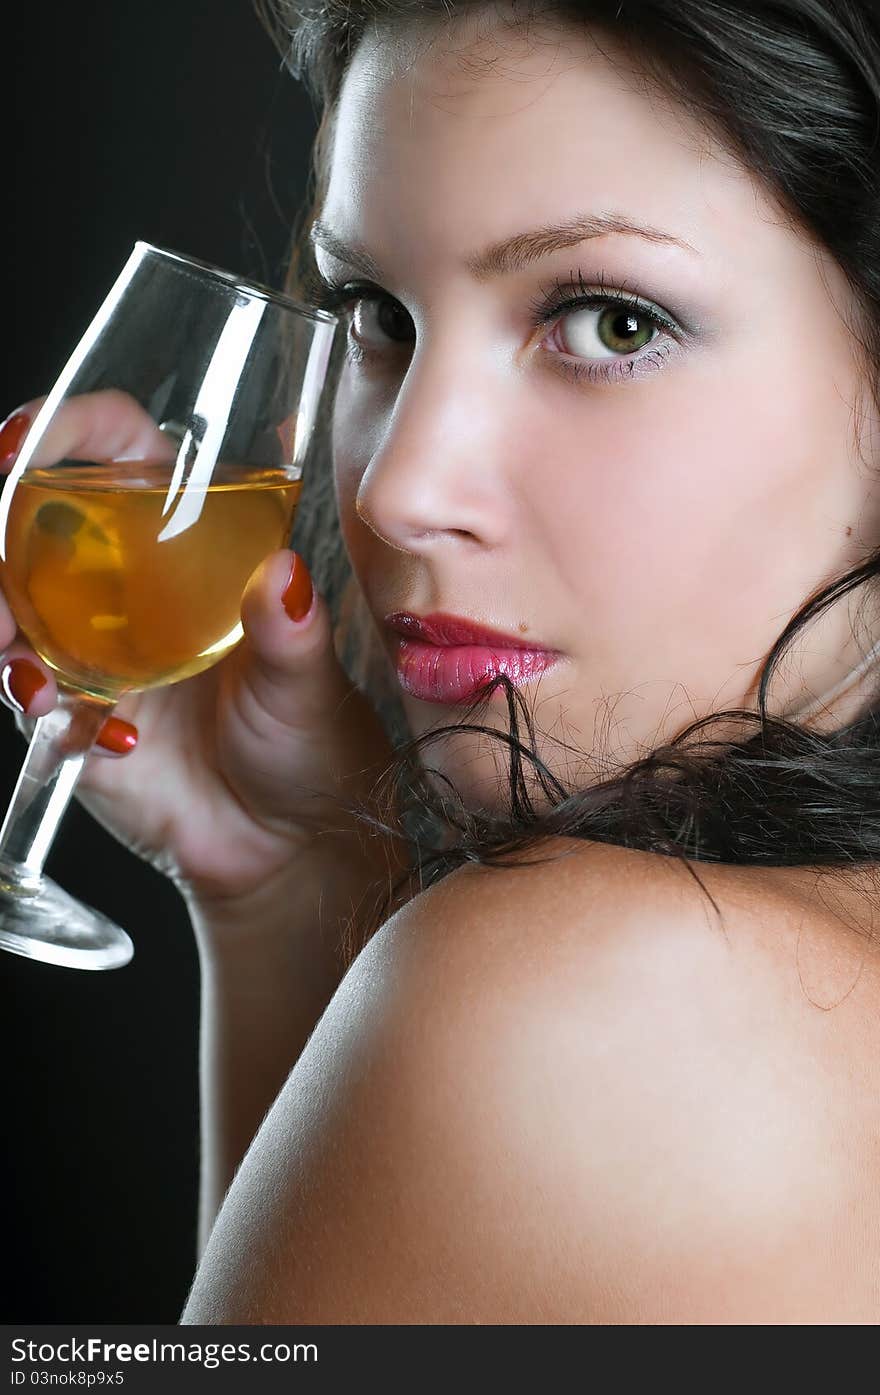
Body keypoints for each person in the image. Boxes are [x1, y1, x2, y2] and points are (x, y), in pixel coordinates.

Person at [2, 0, 880, 1324]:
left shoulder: (586, 1001)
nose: (401, 490)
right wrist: (292, 883)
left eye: (610, 324)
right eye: (376, 312)